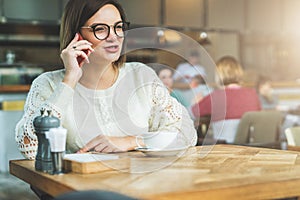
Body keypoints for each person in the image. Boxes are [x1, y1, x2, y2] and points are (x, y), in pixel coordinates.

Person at [15, 0, 197, 159]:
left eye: (118, 27)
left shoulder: (141, 76)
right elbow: (30, 148)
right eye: (100, 29)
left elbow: (186, 133)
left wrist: (131, 141)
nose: (114, 37)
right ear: (76, 35)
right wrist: (70, 80)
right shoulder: (48, 84)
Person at [191, 56, 261, 143]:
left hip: (223, 149)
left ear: (218, 75)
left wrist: (195, 103)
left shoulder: (217, 96)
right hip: (251, 149)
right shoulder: (252, 94)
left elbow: (191, 114)